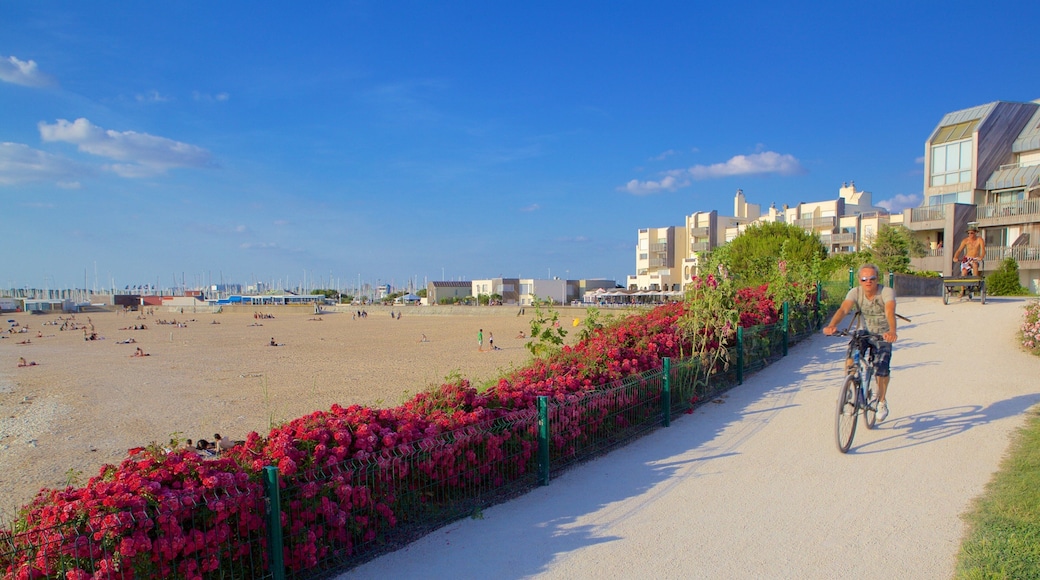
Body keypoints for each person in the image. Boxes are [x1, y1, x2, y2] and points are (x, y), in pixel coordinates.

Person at [823, 263, 897, 422]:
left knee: (882, 368)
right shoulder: (855, 292)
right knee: (851, 354)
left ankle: (882, 401)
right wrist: (832, 325)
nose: (868, 282)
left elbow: (890, 311)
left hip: (883, 334)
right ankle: (848, 387)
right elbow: (843, 309)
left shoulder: (886, 292)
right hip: (864, 331)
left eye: (872, 278)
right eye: (864, 279)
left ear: (877, 279)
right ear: (859, 280)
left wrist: (892, 331)